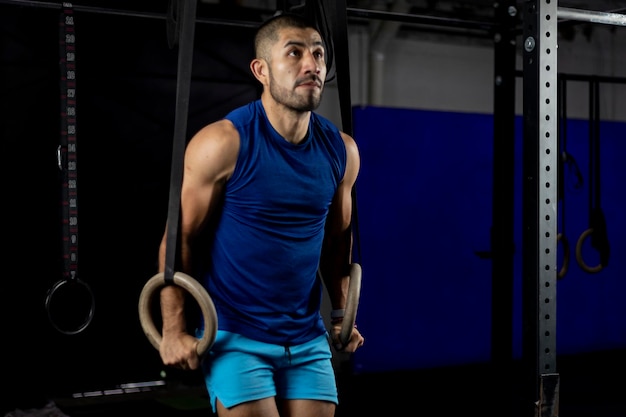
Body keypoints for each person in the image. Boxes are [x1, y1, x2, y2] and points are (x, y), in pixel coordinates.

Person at [156, 12, 364, 417]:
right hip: (235, 336)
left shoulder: (343, 151)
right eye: (295, 53)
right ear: (261, 70)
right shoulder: (223, 143)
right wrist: (173, 329)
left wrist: (341, 312)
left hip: (306, 338)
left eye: (319, 54)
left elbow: (337, 241)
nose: (312, 65)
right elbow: (177, 239)